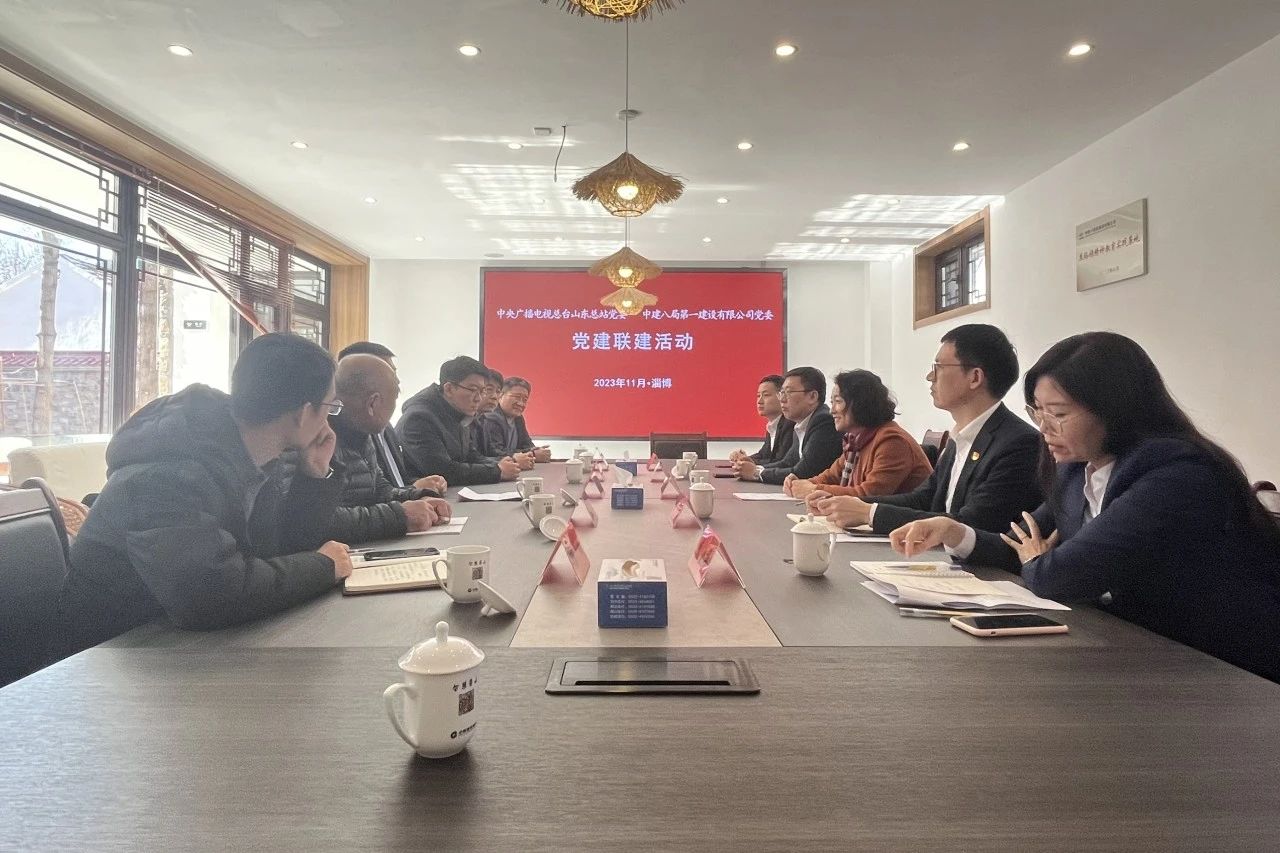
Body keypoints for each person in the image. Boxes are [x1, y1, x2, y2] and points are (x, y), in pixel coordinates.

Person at [889, 332, 1280, 682]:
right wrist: (955, 532)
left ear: (1114, 410)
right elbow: (1018, 545)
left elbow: (1060, 575)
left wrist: (1038, 560)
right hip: (1129, 649)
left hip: (1220, 669)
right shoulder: (1077, 470)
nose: (1044, 428)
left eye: (1058, 414)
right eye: (1038, 412)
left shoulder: (1177, 474)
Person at [57, 333, 354, 655]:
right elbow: (210, 596)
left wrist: (314, 475)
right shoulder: (167, 472)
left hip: (173, 646)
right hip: (109, 657)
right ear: (303, 413)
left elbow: (279, 553)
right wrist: (323, 567)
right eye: (330, 406)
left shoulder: (252, 456)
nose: (329, 420)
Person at [814, 324, 1041, 533]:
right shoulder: (961, 437)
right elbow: (924, 498)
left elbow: (972, 524)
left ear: (974, 377)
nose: (930, 376)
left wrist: (870, 513)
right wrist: (853, 505)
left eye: (938, 367)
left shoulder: (1019, 443)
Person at [329, 355, 452, 542]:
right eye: (393, 400)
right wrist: (399, 516)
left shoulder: (362, 433)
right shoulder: (318, 438)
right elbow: (321, 521)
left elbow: (380, 490)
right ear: (373, 403)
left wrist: (418, 497)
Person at [785, 369, 932, 501]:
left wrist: (814, 489)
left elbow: (869, 495)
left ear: (861, 404)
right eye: (832, 402)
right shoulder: (856, 440)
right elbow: (831, 476)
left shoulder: (892, 441)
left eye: (838, 401)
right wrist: (802, 483)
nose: (832, 410)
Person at [336, 341, 445, 494]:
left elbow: (382, 489)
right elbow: (342, 507)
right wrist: (409, 496)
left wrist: (415, 491)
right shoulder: (329, 438)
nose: (397, 380)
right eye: (389, 372)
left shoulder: (379, 428)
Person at [398, 356, 522, 486]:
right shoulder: (419, 418)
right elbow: (442, 470)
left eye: (482, 391)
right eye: (473, 390)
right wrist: (496, 471)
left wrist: (503, 463)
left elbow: (471, 456)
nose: (479, 398)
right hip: (426, 495)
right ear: (449, 389)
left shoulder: (458, 413)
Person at [733, 366, 842, 484]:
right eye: (781, 393)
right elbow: (787, 463)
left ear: (812, 397)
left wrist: (757, 473)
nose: (782, 399)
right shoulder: (801, 423)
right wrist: (754, 467)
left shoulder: (824, 421)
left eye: (789, 392)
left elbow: (804, 472)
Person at [728, 375, 795, 465]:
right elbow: (763, 455)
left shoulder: (790, 424)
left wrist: (748, 462)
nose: (759, 401)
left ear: (782, 396)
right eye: (758, 396)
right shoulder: (773, 425)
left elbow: (780, 462)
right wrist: (742, 458)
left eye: (766, 395)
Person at [482, 376, 552, 462]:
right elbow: (496, 452)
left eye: (525, 400)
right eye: (517, 397)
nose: (521, 403)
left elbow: (527, 445)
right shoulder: (491, 417)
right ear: (500, 395)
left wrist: (537, 451)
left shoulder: (518, 419)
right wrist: (533, 454)